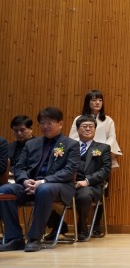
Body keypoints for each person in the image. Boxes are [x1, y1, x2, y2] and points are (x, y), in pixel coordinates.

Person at [0, 107, 80, 252]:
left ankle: (34, 238)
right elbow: (19, 167)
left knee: (44, 189)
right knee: (5, 190)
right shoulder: (31, 144)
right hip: (31, 184)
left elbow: (68, 171)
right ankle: (15, 238)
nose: (45, 126)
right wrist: (25, 180)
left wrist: (43, 182)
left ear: (60, 124)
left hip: (58, 185)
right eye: (42, 123)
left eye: (49, 123)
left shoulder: (71, 145)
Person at [70, 115, 112, 241]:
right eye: (84, 126)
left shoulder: (103, 148)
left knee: (84, 196)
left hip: (91, 185)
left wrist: (87, 181)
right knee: (47, 191)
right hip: (68, 183)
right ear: (78, 129)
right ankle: (56, 226)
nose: (88, 129)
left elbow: (105, 170)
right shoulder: (69, 147)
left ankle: (82, 227)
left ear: (95, 129)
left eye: (91, 126)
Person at [69, 90, 122, 168]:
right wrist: (85, 148)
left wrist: (102, 149)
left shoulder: (108, 120)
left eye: (100, 100)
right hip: (83, 152)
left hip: (102, 153)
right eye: (94, 100)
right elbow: (73, 137)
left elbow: (112, 137)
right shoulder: (79, 119)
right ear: (88, 102)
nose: (97, 103)